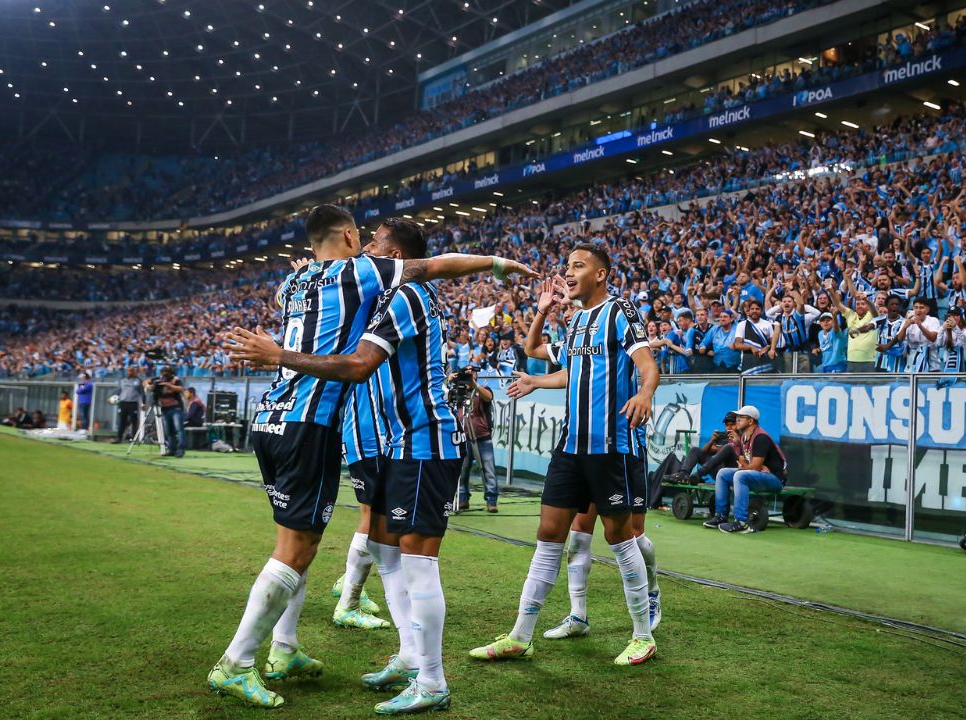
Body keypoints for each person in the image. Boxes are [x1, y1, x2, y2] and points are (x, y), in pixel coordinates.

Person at [214, 204, 536, 711]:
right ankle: (400, 657)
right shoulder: (363, 281)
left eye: (376, 242)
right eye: (362, 239)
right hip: (358, 435)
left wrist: (279, 353)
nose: (366, 248)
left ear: (395, 254)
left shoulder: (388, 295)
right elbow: (425, 269)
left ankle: (427, 680)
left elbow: (364, 361)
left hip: (413, 438)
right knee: (357, 548)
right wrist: (494, 263)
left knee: (404, 554)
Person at [471, 245, 660, 667]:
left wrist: (645, 392)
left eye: (578, 266)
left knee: (619, 537)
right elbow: (540, 352)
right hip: (570, 446)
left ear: (601, 274)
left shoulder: (620, 311)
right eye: (568, 266)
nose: (569, 272)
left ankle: (642, 635)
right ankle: (521, 635)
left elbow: (647, 363)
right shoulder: (574, 324)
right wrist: (541, 315)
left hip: (610, 446)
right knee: (549, 535)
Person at [702, 405, 787, 534]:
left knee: (740, 476)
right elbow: (743, 462)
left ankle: (742, 523)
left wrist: (749, 467)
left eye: (741, 417)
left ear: (750, 421)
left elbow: (754, 466)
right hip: (759, 475)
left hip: (775, 479)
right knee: (722, 473)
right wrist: (749, 466)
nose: (737, 420)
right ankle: (720, 516)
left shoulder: (760, 437)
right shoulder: (743, 438)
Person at [454, 363, 500, 513]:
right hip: (462, 437)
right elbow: (447, 400)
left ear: (476, 375)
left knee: (488, 469)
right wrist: (451, 382)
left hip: (482, 436)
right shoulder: (458, 391)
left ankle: (491, 500)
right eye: (467, 372)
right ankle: (462, 499)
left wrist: (474, 385)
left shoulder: (483, 389)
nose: (470, 375)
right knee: (462, 470)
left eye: (472, 372)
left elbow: (489, 397)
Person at [671, 412, 741, 483]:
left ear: (738, 425)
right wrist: (711, 441)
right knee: (695, 450)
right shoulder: (722, 436)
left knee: (728, 448)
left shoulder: (741, 437)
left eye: (732, 425)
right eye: (727, 425)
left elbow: (744, 456)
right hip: (716, 468)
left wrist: (737, 442)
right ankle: (683, 474)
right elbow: (703, 452)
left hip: (731, 470)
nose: (729, 427)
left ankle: (698, 474)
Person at [147, 368, 185, 457]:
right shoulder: (158, 379)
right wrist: (148, 386)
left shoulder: (175, 380)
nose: (164, 375)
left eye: (166, 373)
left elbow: (181, 389)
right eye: (163, 373)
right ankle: (172, 449)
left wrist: (168, 385)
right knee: (169, 431)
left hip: (176, 408)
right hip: (164, 408)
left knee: (179, 429)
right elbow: (146, 382)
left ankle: (180, 449)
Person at [114, 368, 144, 443]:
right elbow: (119, 391)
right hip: (123, 403)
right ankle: (119, 438)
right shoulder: (122, 380)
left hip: (133, 403)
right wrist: (113, 397)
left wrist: (143, 403)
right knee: (122, 421)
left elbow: (142, 393)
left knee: (134, 421)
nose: (129, 372)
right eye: (128, 371)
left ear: (134, 372)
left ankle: (134, 439)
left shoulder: (138, 381)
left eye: (131, 371)